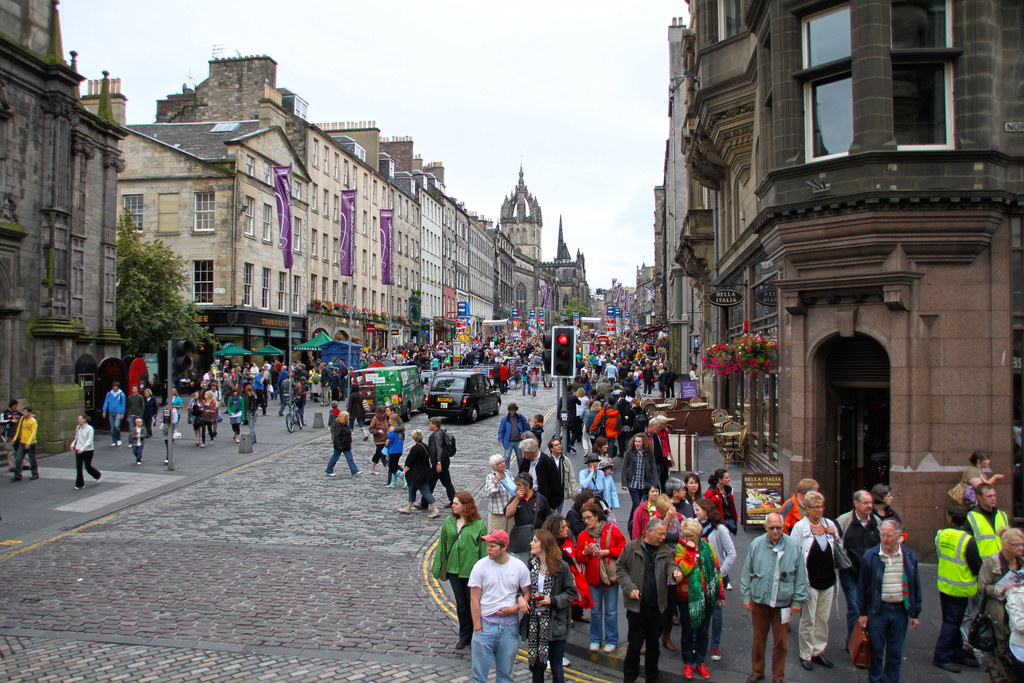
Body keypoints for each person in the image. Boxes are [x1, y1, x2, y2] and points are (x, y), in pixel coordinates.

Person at [740, 512, 807, 683]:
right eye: (772, 528)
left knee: (781, 643)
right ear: (765, 527)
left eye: (779, 527)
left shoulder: (794, 546)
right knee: (758, 640)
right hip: (760, 600)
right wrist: (746, 596)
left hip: (783, 603)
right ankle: (757, 671)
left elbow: (801, 577)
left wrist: (797, 601)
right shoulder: (756, 544)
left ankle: (778, 676)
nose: (776, 531)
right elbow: (746, 572)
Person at [615, 517, 684, 683]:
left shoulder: (666, 550)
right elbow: (620, 568)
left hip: (657, 608)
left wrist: (675, 572)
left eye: (664, 534)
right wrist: (629, 588)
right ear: (650, 532)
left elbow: (670, 565)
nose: (663, 537)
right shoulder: (631, 548)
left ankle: (652, 679)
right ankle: (629, 679)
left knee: (654, 647)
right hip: (637, 608)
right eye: (660, 534)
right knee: (634, 647)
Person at [857, 519, 922, 683]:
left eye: (889, 535)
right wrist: (862, 612)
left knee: (895, 654)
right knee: (876, 652)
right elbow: (862, 586)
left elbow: (915, 585)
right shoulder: (870, 555)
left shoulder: (908, 556)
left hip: (900, 611)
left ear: (899, 536)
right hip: (878, 610)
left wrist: (915, 613)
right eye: (882, 535)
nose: (884, 539)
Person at [469, 529, 531, 683]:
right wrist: (478, 629)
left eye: (493, 546)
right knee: (479, 677)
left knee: (505, 676)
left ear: (504, 547)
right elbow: (474, 600)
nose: (488, 549)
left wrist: (515, 608)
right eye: (488, 546)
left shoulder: (519, 567)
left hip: (509, 628)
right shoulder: (480, 566)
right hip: (485, 625)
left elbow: (527, 593)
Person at [789, 490, 840, 671]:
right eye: (816, 507)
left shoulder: (829, 525)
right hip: (810, 582)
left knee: (822, 619)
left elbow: (839, 550)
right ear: (807, 509)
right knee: (808, 619)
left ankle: (817, 651)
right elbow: (793, 554)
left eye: (822, 506)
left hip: (828, 580)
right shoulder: (800, 528)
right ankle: (805, 654)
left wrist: (835, 535)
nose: (820, 510)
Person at [432, 492, 488, 650]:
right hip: (453, 569)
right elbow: (442, 546)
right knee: (461, 604)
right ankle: (464, 635)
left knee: (474, 603)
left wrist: (485, 573)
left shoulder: (478, 525)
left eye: (456, 503)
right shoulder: (449, 522)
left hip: (472, 571)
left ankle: (476, 633)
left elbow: (483, 551)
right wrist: (437, 568)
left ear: (465, 506)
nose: (453, 506)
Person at [522, 529, 578, 683]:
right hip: (536, 623)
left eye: (535, 541)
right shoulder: (530, 565)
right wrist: (523, 599)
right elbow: (522, 590)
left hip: (555, 624)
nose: (531, 544)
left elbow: (571, 593)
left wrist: (552, 600)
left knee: (556, 668)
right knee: (537, 667)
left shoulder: (561, 567)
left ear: (545, 545)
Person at [932, 504, 982, 673]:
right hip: (961, 587)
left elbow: (940, 554)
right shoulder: (968, 540)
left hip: (944, 584)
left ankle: (955, 652)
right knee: (953, 623)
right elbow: (977, 566)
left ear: (949, 517)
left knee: (950, 621)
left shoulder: (941, 535)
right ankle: (941, 655)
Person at [675, 517, 723, 680]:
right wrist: (689, 551)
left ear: (698, 534)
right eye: (686, 535)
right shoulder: (680, 547)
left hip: (706, 596)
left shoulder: (707, 546)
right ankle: (688, 662)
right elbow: (683, 570)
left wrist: (720, 593)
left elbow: (716, 570)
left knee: (703, 632)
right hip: (686, 597)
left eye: (691, 536)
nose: (688, 539)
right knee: (688, 632)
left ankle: (700, 662)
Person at [576, 501, 625, 654]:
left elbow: (623, 549)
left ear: (597, 516)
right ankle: (596, 639)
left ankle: (611, 639)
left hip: (610, 577)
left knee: (611, 610)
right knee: (595, 610)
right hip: (593, 578)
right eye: (584, 519)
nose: (586, 521)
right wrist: (585, 553)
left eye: (589, 517)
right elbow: (579, 557)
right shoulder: (583, 535)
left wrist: (607, 552)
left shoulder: (611, 530)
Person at [836, 489, 881, 650]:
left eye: (871, 503)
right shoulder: (844, 521)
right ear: (856, 504)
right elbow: (835, 543)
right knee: (855, 607)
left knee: (870, 608)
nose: (869, 506)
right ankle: (853, 643)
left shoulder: (876, 522)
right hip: (851, 572)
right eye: (865, 503)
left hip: (871, 574)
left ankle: (866, 640)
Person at [978, 526, 1024, 682]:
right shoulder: (992, 563)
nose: (1021, 548)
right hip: (999, 618)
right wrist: (1002, 589)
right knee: (999, 662)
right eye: (1017, 545)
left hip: (1017, 620)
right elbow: (982, 587)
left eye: (1022, 544)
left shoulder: (1022, 562)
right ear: (1006, 544)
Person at [695, 498, 735, 663]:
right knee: (699, 609)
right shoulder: (696, 527)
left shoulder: (720, 530)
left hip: (715, 576)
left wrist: (720, 573)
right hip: (699, 576)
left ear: (706, 511)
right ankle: (699, 641)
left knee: (716, 611)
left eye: (697, 510)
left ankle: (715, 644)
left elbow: (731, 553)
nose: (695, 513)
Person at [544, 514, 593, 629]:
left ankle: (577, 614)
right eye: (563, 527)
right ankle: (567, 616)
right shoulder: (551, 545)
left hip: (574, 574)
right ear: (555, 530)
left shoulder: (569, 541)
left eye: (567, 526)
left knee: (577, 596)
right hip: (561, 576)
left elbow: (574, 556)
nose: (567, 529)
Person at [506, 473, 552, 564]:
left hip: (538, 540)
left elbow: (549, 520)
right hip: (521, 542)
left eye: (519, 485)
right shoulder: (515, 499)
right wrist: (517, 499)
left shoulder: (541, 499)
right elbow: (508, 514)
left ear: (528, 486)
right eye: (516, 485)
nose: (517, 488)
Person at [397, 429, 440, 517]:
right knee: (412, 489)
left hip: (418, 475)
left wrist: (403, 472)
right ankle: (408, 508)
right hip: (423, 472)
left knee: (426, 492)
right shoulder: (425, 446)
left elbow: (409, 462)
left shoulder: (415, 448)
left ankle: (435, 510)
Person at [621, 433, 657, 534]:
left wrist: (656, 482)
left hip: (644, 483)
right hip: (632, 483)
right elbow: (624, 468)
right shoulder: (630, 452)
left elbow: (653, 468)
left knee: (637, 504)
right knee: (637, 503)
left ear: (643, 443)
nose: (637, 443)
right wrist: (624, 483)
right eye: (636, 441)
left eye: (639, 442)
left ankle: (630, 521)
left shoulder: (649, 453)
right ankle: (634, 523)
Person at [968, 483, 1010, 560]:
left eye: (994, 495)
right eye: (989, 496)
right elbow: (968, 546)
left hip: (1002, 562)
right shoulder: (971, 516)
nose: (993, 498)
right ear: (979, 497)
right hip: (984, 563)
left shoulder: (1002, 515)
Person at [426, 416, 455, 508]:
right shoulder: (440, 432)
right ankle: (453, 500)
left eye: (430, 424)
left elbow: (438, 449)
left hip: (440, 462)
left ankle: (424, 502)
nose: (429, 425)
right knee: (447, 482)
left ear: (434, 425)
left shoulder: (436, 435)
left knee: (431, 482)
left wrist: (438, 463)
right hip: (444, 461)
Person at [484, 454, 517, 533]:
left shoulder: (508, 473)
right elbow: (488, 493)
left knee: (509, 536)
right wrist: (495, 482)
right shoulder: (491, 477)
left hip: (510, 511)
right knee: (498, 538)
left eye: (503, 462)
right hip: (498, 512)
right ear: (494, 467)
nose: (502, 464)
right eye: (499, 463)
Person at [69, 413, 101, 489]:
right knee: (79, 467)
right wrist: (73, 445)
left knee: (88, 466)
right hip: (78, 449)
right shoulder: (78, 427)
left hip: (88, 450)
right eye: (78, 419)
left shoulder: (90, 428)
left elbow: (89, 441)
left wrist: (82, 449)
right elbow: (76, 438)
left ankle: (98, 474)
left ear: (85, 419)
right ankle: (79, 484)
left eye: (80, 419)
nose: (79, 421)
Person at [704, 469, 739, 536]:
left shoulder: (728, 490)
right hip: (718, 524)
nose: (730, 479)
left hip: (729, 523)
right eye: (727, 478)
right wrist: (714, 500)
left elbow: (732, 509)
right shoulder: (711, 492)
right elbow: (704, 505)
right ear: (720, 479)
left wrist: (735, 525)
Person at [327, 411, 360, 477]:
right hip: (340, 445)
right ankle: (329, 470)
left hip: (346, 445)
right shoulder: (338, 425)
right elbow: (336, 436)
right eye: (347, 416)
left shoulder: (345, 425)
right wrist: (339, 445)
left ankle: (354, 471)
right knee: (335, 457)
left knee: (349, 458)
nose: (348, 418)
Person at [9, 406, 38, 482]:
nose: (23, 413)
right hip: (22, 442)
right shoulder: (22, 419)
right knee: (18, 459)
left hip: (31, 443)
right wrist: (14, 439)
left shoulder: (33, 421)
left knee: (32, 459)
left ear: (29, 413)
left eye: (25, 412)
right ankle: (17, 475)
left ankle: (35, 474)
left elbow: (33, 433)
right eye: (23, 412)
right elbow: (18, 429)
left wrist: (28, 442)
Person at [498, 403, 529, 469]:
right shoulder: (505, 419)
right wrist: (500, 439)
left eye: (514, 411)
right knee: (507, 457)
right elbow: (501, 430)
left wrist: (524, 435)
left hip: (519, 441)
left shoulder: (520, 417)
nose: (513, 412)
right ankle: (507, 472)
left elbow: (526, 426)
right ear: (509, 410)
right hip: (508, 441)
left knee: (520, 457)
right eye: (511, 411)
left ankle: (521, 471)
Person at [384, 414, 406, 489]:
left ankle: (405, 478)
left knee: (392, 468)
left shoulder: (391, 430)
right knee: (395, 465)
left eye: (390, 419)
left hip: (393, 450)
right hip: (399, 449)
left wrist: (387, 442)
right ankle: (393, 483)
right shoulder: (400, 429)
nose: (388, 420)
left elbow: (391, 440)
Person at [101, 381, 126, 447]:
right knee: (112, 428)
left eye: (115, 386)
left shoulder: (121, 394)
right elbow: (106, 402)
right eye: (113, 386)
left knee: (116, 426)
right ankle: (114, 441)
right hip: (111, 412)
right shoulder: (109, 394)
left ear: (118, 387)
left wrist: (122, 413)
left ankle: (118, 439)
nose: (113, 387)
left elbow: (123, 404)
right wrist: (104, 411)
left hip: (118, 412)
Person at [368, 406, 388, 476]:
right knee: (383, 455)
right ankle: (388, 469)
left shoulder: (384, 418)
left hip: (384, 439)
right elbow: (371, 429)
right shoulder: (375, 419)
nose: (384, 414)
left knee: (377, 454)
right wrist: (377, 431)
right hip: (379, 440)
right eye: (383, 413)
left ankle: (372, 468)